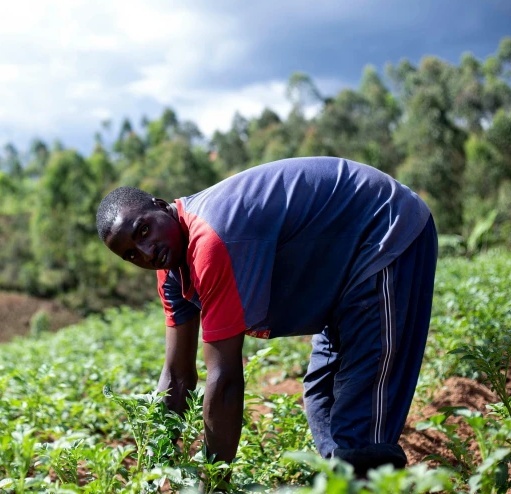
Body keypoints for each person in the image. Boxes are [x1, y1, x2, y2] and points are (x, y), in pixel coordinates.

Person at [95, 156, 438, 477]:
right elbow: (177, 374)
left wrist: (213, 481)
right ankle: (348, 480)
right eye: (130, 254)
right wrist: (157, 468)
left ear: (159, 205)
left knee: (360, 430)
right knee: (323, 399)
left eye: (143, 232)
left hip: (383, 230)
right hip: (342, 273)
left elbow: (225, 379)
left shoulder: (210, 240)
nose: (146, 252)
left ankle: (364, 476)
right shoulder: (171, 269)